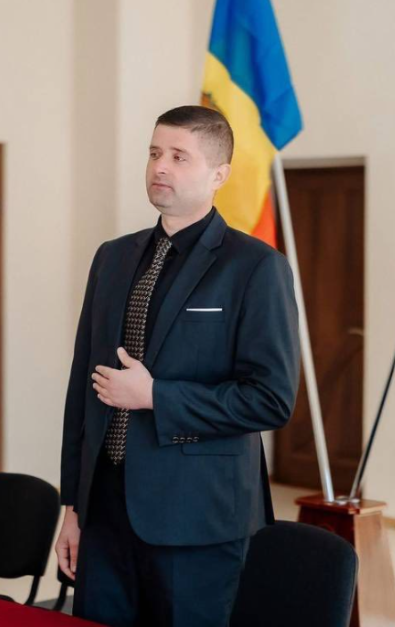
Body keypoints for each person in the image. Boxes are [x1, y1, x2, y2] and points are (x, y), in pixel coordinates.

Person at [55, 105, 300, 626]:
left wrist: (155, 396)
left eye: (178, 157)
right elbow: (83, 387)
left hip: (197, 519)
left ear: (219, 175)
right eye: (154, 153)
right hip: (105, 510)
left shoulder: (256, 266)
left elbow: (271, 399)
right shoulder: (112, 257)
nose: (159, 167)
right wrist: (73, 507)